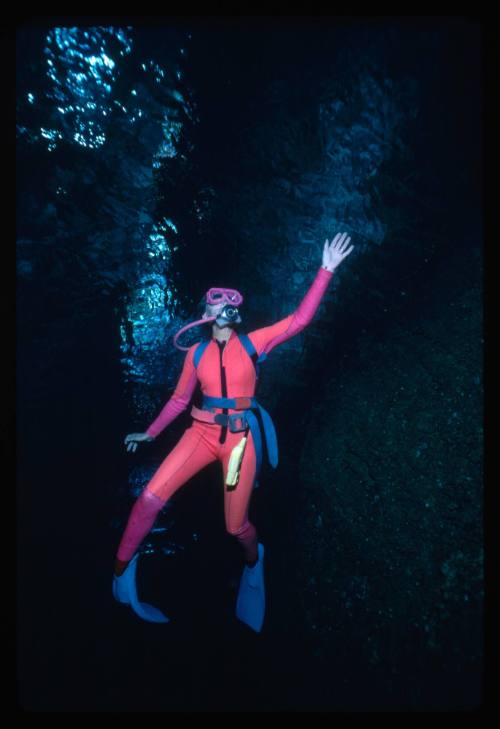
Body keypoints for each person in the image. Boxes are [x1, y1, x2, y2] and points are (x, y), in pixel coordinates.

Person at [113, 232, 354, 631]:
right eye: (216, 298)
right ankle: (121, 576)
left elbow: (300, 320)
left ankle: (254, 561)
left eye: (231, 298)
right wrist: (151, 433)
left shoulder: (254, 343)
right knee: (148, 500)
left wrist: (326, 269)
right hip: (200, 435)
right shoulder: (196, 353)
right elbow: (177, 400)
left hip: (240, 443)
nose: (225, 301)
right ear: (204, 310)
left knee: (234, 527)